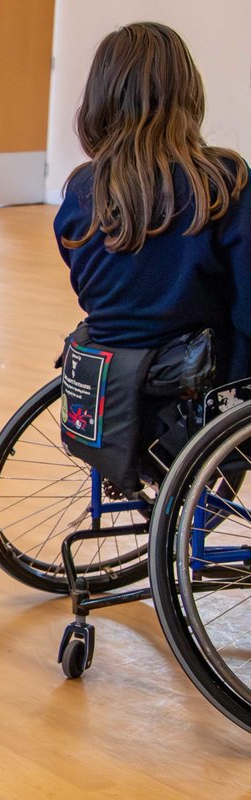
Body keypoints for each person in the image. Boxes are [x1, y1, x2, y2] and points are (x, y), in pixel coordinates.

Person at [55, 22, 251, 491]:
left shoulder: (83, 189)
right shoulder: (224, 180)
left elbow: (84, 280)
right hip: (198, 378)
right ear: (188, 91)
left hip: (109, 375)